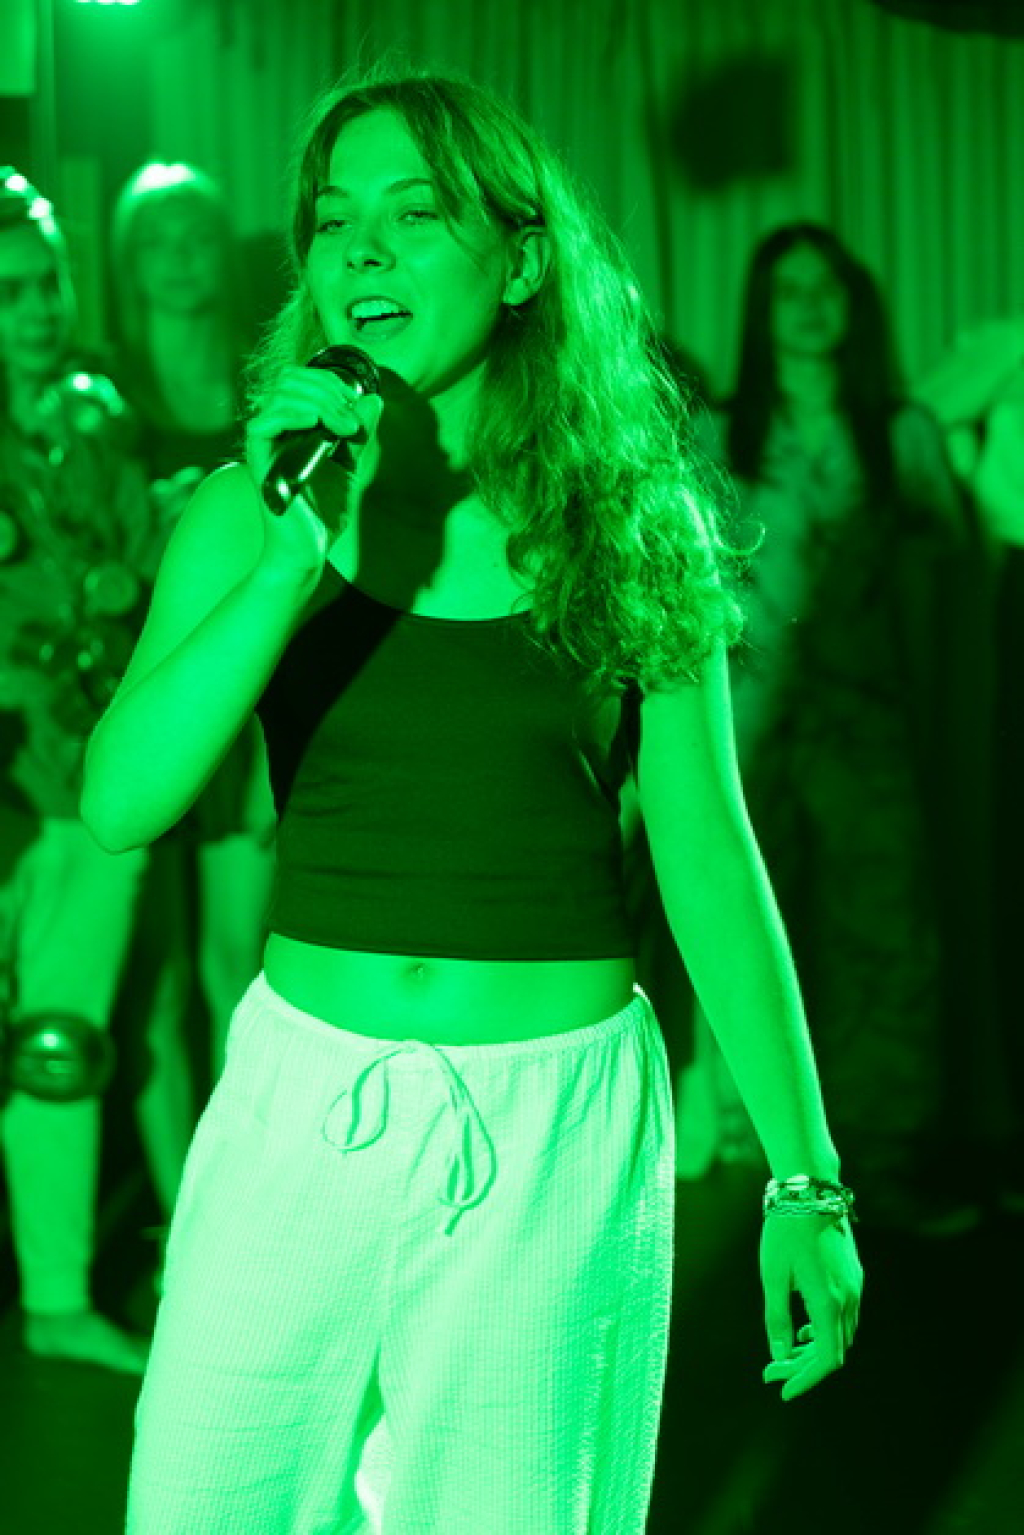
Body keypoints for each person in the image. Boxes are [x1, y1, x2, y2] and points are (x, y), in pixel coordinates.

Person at [82, 71, 862, 1534]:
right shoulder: (252, 511)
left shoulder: (628, 521)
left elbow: (709, 851)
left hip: (557, 1131)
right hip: (303, 1112)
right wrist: (288, 561)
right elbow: (122, 799)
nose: (361, 250)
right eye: (333, 221)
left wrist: (803, 1181)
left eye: (414, 212)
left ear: (517, 261)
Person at [706, 222, 976, 1229]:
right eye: (789, 289)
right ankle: (763, 1178)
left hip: (870, 733)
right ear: (760, 309)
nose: (811, 305)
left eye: (827, 287)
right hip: (746, 737)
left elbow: (947, 602)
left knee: (885, 939)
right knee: (753, 943)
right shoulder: (716, 436)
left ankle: (888, 1164)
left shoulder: (900, 436)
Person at [0, 167, 154, 1373]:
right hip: (8, 776)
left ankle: (55, 1296)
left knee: (62, 1037)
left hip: (93, 774)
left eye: (48, 280)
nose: (40, 307)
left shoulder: (103, 416)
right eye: (10, 290)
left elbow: (146, 569)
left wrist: (130, 570)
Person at [109, 162, 276, 1099]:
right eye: (156, 242)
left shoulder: (268, 386)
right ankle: (176, 1188)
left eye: (196, 237)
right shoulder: (102, 395)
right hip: (130, 695)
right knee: (154, 985)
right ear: (128, 263)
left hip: (243, 708)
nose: (178, 260)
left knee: (236, 966)